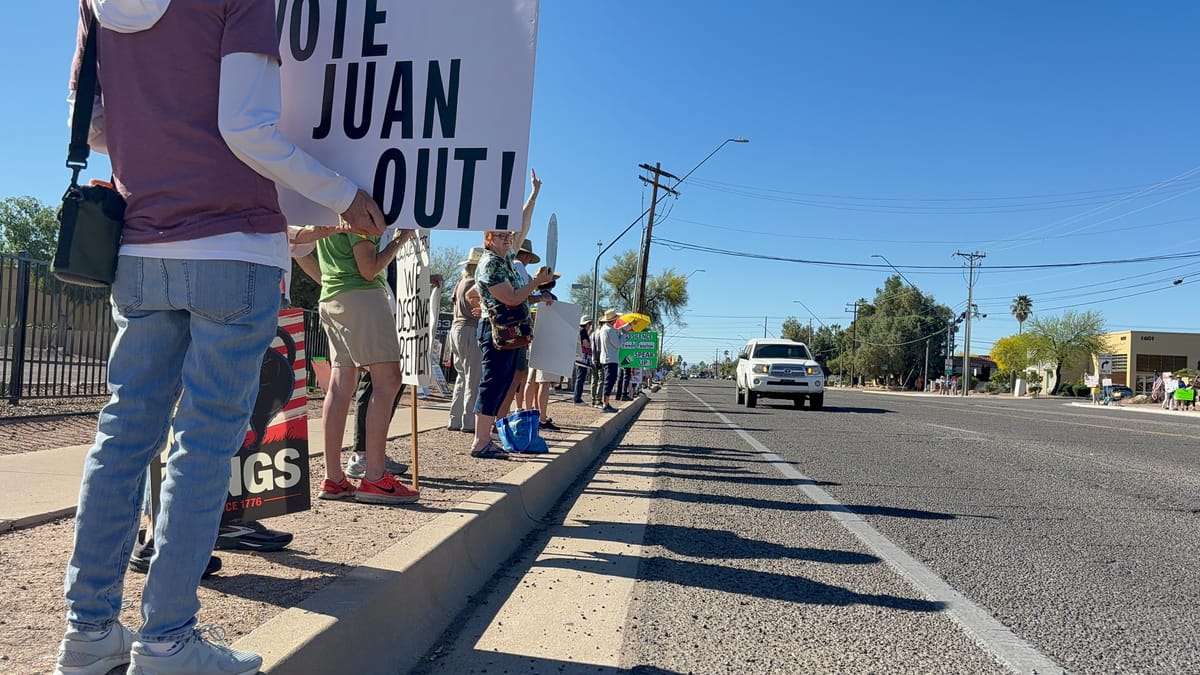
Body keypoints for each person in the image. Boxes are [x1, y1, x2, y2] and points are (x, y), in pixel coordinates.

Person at [57, 2, 386, 674]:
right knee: (202, 447)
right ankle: (167, 641)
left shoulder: (96, 5)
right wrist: (341, 194)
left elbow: (91, 125)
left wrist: (159, 137)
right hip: (233, 246)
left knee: (123, 436)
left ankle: (88, 632)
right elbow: (244, 126)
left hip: (140, 247)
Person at [313, 227, 420, 505]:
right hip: (363, 296)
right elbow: (369, 269)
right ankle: (374, 476)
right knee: (388, 381)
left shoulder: (332, 206)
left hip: (332, 294)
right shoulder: (363, 211)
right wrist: (401, 238)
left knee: (340, 385)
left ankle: (334, 478)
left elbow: (300, 252)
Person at [470, 230, 555, 459]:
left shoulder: (504, 260)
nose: (508, 238)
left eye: (509, 235)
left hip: (508, 333)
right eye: (501, 235)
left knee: (502, 382)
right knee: (492, 383)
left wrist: (537, 296)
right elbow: (512, 298)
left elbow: (523, 226)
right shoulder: (491, 264)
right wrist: (537, 282)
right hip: (497, 332)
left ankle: (486, 437)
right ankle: (481, 440)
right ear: (489, 239)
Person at [448, 248, 485, 433]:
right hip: (470, 329)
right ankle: (469, 421)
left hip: (456, 328)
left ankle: (455, 419)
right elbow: (474, 300)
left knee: (462, 376)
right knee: (473, 377)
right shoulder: (474, 283)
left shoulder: (461, 282)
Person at [597, 309, 626, 413]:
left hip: (606, 358)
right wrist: (624, 335)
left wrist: (623, 330)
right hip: (611, 359)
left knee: (608, 381)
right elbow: (617, 344)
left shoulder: (605, 329)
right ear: (613, 320)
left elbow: (616, 333)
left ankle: (606, 403)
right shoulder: (610, 330)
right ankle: (605, 404)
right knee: (609, 381)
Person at [572, 316, 593, 405]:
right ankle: (577, 398)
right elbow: (586, 344)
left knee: (580, 377)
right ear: (587, 324)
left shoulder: (579, 330)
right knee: (581, 378)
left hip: (579, 357)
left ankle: (577, 397)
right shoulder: (583, 331)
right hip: (583, 358)